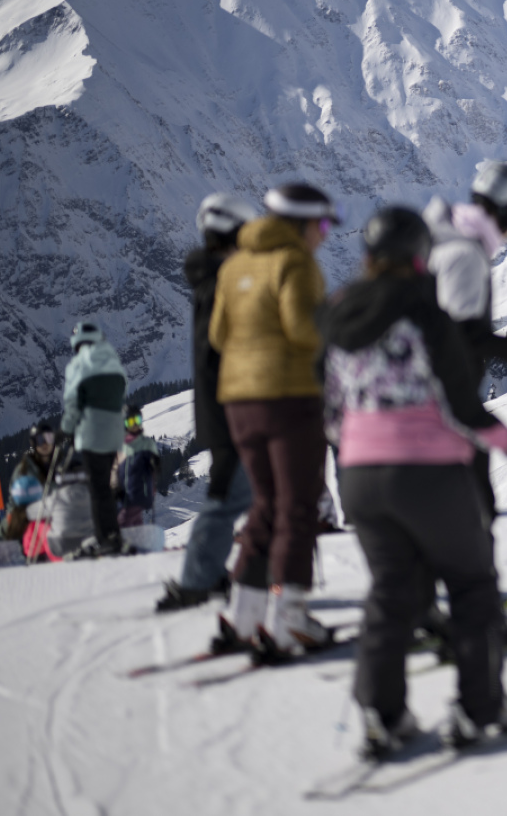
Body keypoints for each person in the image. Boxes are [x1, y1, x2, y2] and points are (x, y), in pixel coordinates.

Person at [318, 206, 507, 759]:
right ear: (421, 258)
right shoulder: (428, 315)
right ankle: (480, 709)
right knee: (471, 585)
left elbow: (327, 406)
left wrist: (356, 447)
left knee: (390, 591)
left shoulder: (334, 317)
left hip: (359, 475)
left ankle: (382, 715)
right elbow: (463, 408)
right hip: (428, 474)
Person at [209, 183, 335, 658]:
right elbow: (303, 329)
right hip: (289, 398)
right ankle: (290, 620)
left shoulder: (234, 264)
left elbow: (219, 334)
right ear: (301, 223)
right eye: (323, 224)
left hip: (239, 402)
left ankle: (243, 617)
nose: (325, 235)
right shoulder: (295, 262)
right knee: (298, 506)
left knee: (266, 503)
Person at [423, 162, 507, 520]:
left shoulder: (439, 242)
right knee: (473, 515)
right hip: (440, 408)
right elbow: (463, 336)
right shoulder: (464, 253)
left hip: (416, 404)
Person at [157, 193, 259, 613]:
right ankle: (200, 581)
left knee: (234, 494)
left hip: (221, 409)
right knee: (231, 497)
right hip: (235, 408)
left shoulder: (213, 279)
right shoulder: (227, 282)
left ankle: (215, 575)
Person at [60, 321, 129, 556]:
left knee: (98, 489)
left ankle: (105, 539)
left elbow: (72, 402)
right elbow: (122, 390)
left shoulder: (79, 364)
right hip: (114, 434)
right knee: (106, 487)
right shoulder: (113, 361)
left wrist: (66, 429)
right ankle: (113, 535)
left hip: (91, 434)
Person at [0, 424, 56, 543]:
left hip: (57, 516)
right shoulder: (24, 470)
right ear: (34, 443)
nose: (45, 443)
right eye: (40, 439)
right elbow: (14, 503)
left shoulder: (62, 465)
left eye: (49, 438)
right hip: (29, 518)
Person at [115, 405, 161, 528]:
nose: (135, 424)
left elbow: (155, 466)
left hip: (138, 493)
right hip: (125, 494)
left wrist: (152, 462)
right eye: (131, 422)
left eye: (137, 420)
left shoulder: (145, 444)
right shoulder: (122, 446)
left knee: (123, 522)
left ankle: (124, 538)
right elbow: (117, 469)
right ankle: (139, 539)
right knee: (135, 522)